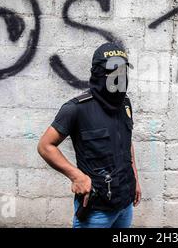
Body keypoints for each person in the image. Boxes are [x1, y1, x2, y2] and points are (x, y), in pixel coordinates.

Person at [37, 42, 141, 228]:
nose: (119, 77)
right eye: (113, 71)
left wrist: (135, 179)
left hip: (125, 205)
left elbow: (127, 141)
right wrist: (77, 177)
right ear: (99, 73)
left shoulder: (124, 104)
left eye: (123, 71)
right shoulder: (76, 109)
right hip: (96, 210)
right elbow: (45, 146)